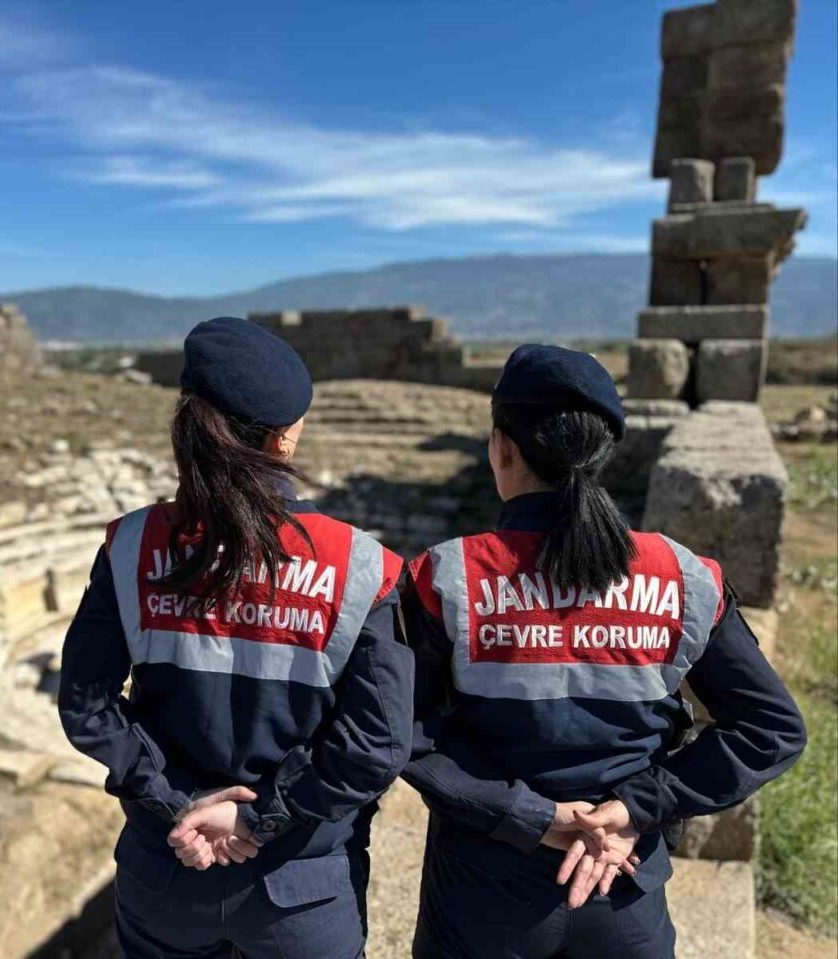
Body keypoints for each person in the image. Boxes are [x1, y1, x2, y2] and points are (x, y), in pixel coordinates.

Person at [401, 344, 807, 959]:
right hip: (625, 892)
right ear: (603, 454)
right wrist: (634, 809)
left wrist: (534, 817)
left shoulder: (448, 576)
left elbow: (404, 734)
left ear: (502, 447)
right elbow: (772, 729)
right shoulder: (682, 576)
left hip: (482, 902)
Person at [59, 316, 412, 959]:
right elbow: (378, 743)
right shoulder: (362, 566)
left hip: (166, 875)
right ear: (284, 440)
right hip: (301, 891)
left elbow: (87, 705)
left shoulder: (131, 546)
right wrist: (257, 815)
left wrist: (175, 799)